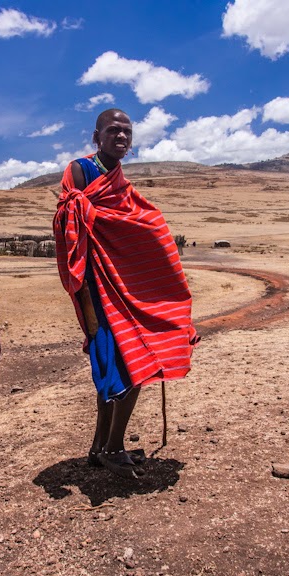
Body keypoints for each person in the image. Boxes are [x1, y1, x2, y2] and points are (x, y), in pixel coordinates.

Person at [53, 109, 199, 479]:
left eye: (127, 132)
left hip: (125, 288)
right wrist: (84, 294)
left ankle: (99, 448)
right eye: (113, 130)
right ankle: (113, 448)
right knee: (129, 366)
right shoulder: (80, 171)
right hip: (97, 288)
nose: (121, 136)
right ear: (96, 136)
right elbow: (73, 228)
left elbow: (141, 227)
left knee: (123, 366)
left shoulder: (121, 182)